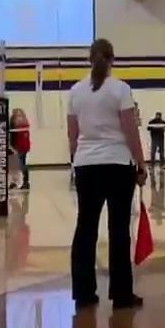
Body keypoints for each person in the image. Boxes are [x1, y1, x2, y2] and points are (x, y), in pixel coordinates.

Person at [66, 38, 147, 310]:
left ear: (89, 59)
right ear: (113, 59)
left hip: (86, 165)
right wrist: (141, 162)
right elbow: (129, 129)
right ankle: (121, 295)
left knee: (85, 228)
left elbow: (72, 135)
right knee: (119, 229)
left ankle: (83, 292)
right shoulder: (121, 89)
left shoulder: (75, 91)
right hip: (117, 164)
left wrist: (74, 163)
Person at [9, 108, 31, 190]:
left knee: (20, 164)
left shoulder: (20, 124)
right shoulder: (18, 123)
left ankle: (23, 182)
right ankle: (16, 182)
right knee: (16, 165)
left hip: (19, 147)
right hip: (17, 147)